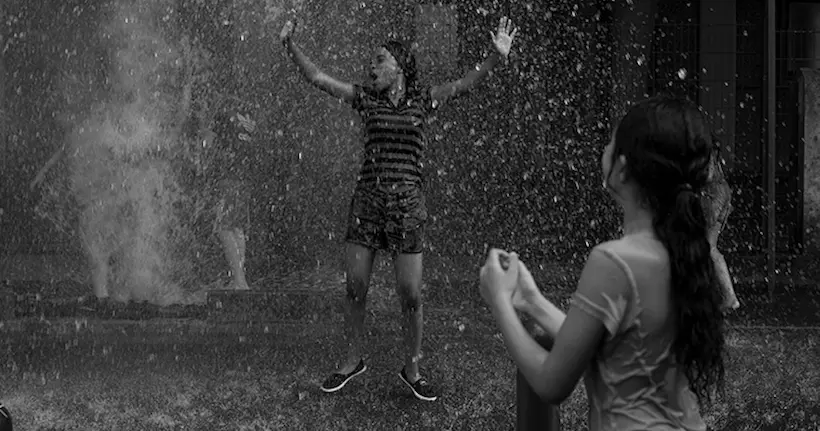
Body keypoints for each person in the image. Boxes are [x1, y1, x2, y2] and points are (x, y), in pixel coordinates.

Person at [280, 16, 519, 401]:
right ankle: (352, 360)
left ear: (399, 67)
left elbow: (463, 85)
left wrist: (495, 57)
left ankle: (413, 368)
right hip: (368, 202)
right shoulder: (365, 98)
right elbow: (319, 79)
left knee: (410, 294)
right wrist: (290, 46)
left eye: (379, 61)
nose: (372, 67)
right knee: (356, 287)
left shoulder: (423, 99)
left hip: (407, 205)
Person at [480, 96, 727, 430]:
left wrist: (499, 302)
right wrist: (532, 301)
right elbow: (608, 348)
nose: (604, 150)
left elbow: (552, 382)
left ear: (623, 167)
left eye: (610, 142)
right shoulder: (685, 255)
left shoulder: (615, 261)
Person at [198, 105, 257, 291]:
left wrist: (202, 152)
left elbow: (207, 142)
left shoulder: (223, 114)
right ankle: (240, 280)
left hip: (228, 176)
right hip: (244, 176)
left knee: (223, 228)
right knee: (237, 228)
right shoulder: (247, 116)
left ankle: (239, 280)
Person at [703, 137, 740, 311]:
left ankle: (728, 297)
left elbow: (708, 175)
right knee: (708, 247)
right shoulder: (711, 154)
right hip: (720, 192)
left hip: (714, 195)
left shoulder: (706, 153)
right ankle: (723, 296)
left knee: (708, 248)